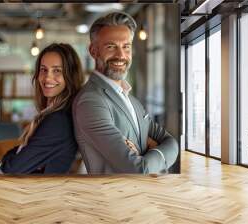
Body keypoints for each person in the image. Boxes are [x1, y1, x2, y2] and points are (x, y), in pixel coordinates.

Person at [72, 12, 179, 174]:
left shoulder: (132, 100)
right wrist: (156, 151)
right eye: (111, 46)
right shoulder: (90, 101)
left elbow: (171, 142)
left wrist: (146, 155)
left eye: (126, 47)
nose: (120, 55)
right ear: (93, 51)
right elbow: (138, 170)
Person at [0, 43, 84, 174]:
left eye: (57, 70)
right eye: (43, 69)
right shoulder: (53, 113)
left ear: (70, 76)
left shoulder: (58, 121)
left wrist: (8, 158)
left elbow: (12, 169)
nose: (47, 77)